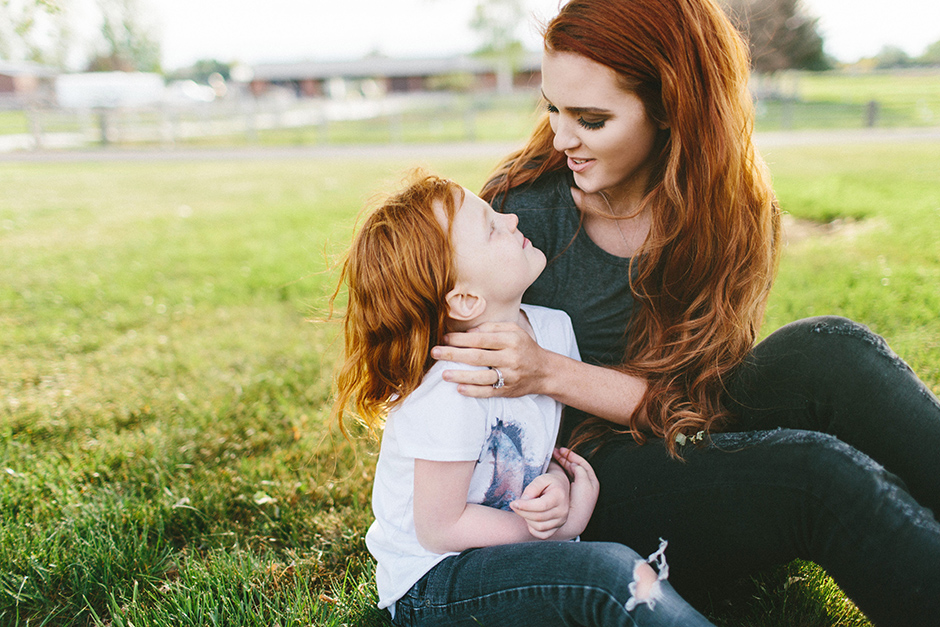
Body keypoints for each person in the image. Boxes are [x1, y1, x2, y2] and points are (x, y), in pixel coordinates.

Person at [428, 0, 940, 625]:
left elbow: (697, 399)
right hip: (575, 487)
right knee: (812, 475)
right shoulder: (520, 217)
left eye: (591, 119)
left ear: (672, 108)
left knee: (832, 348)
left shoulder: (729, 209)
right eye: (553, 108)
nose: (562, 138)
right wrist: (538, 386)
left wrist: (549, 369)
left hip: (681, 425)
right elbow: (459, 411)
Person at [331, 171, 718, 626]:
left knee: (611, 570)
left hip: (504, 554)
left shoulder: (552, 329)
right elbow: (440, 528)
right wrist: (559, 528)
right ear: (466, 300)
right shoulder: (453, 386)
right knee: (611, 575)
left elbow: (532, 449)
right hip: (435, 582)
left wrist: (554, 483)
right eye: (491, 227)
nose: (512, 219)